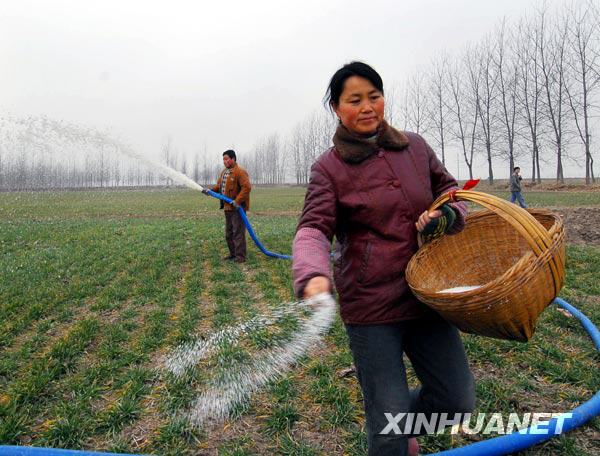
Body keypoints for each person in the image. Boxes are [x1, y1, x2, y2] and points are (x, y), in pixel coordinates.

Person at [292, 62, 475, 456]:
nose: (367, 106)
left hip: (428, 297)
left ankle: (391, 420)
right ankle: (391, 432)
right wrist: (313, 275)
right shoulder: (329, 168)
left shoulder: (415, 147)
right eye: (354, 100)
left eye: (374, 96)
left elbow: (451, 193)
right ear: (337, 108)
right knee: (390, 433)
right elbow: (312, 229)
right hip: (372, 308)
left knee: (455, 403)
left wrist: (445, 214)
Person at [204, 150, 251, 263]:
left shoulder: (240, 172)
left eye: (226, 159)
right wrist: (210, 191)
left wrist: (238, 201)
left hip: (237, 208)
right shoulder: (224, 172)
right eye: (223, 159)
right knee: (229, 233)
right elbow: (219, 186)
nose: (224, 161)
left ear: (233, 158)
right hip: (227, 208)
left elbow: (247, 188)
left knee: (238, 233)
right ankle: (233, 254)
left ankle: (240, 257)